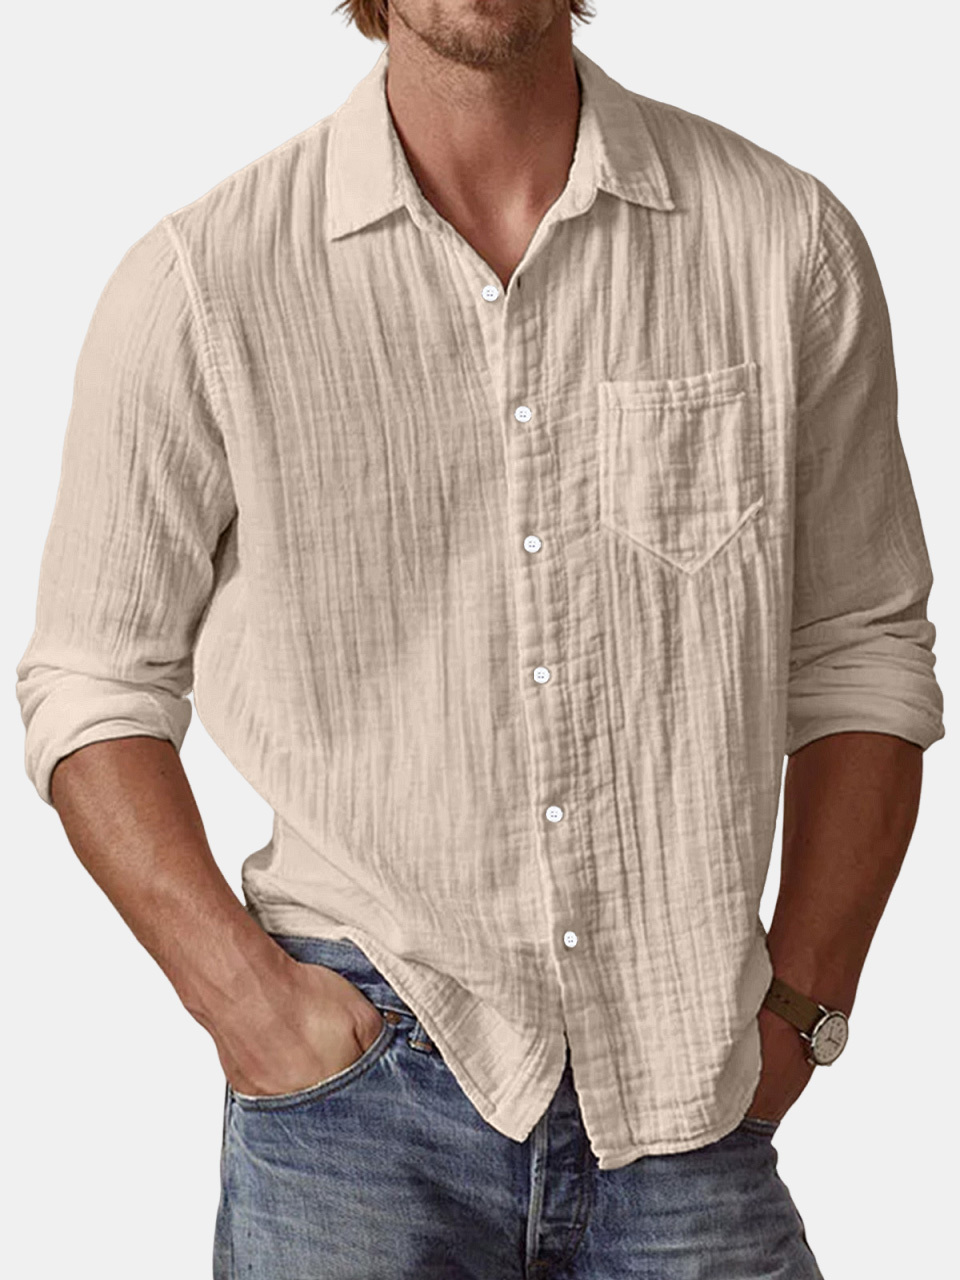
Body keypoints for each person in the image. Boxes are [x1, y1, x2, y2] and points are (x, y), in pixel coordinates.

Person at [15, 1, 945, 1276]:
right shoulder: (203, 284)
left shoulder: (781, 244)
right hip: (353, 1103)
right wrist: (247, 1000)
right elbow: (92, 681)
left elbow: (861, 647)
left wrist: (802, 1006)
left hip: (691, 1086)